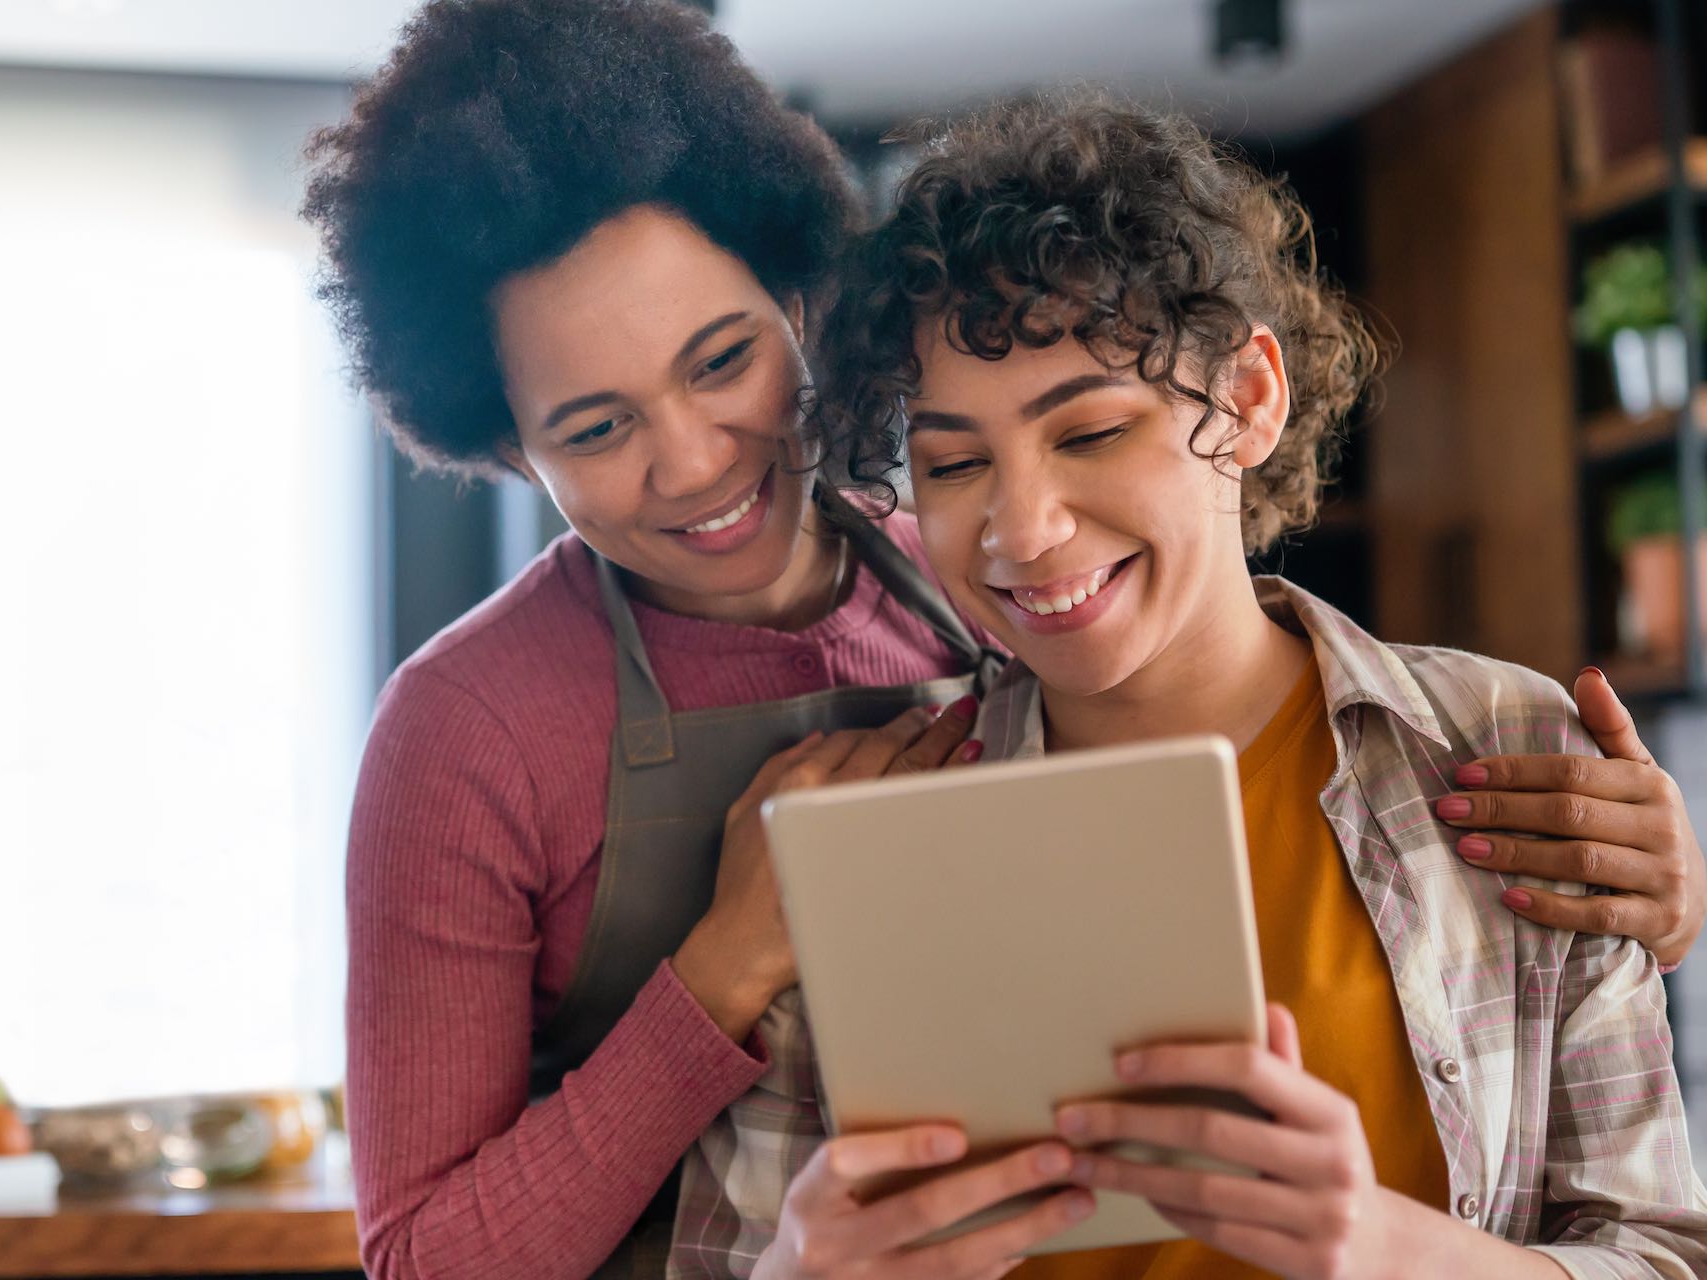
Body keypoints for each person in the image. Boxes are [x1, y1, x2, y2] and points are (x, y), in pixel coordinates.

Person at [307, 4, 1707, 1275]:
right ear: (507, 447)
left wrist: (1662, 897)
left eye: (723, 358)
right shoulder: (486, 737)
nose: (689, 460)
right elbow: (442, 1256)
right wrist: (727, 972)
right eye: (594, 428)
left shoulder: (992, 588)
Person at [707, 92, 1707, 1280]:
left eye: (1087, 433)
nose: (1020, 530)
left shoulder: (1501, 745)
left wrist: (1385, 1248)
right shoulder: (863, 828)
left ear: (1247, 401)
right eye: (955, 461)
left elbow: (1658, 1252)